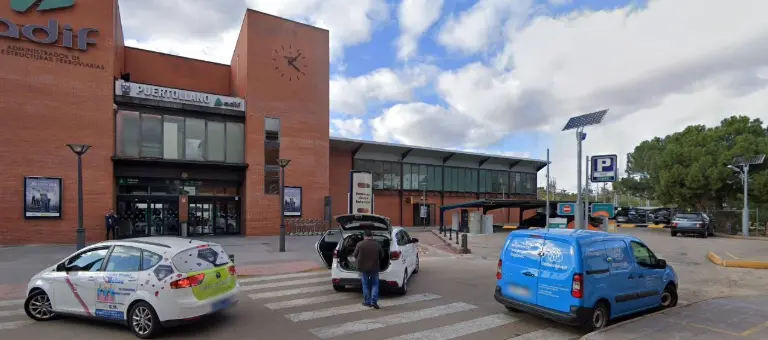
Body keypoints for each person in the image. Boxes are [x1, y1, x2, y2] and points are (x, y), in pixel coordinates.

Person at [353, 228, 385, 309]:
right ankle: (374, 302)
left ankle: (367, 302)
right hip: (374, 267)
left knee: (365, 285)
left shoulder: (360, 244)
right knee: (375, 284)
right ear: (372, 236)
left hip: (363, 268)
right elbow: (382, 256)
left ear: (364, 236)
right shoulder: (377, 244)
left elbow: (354, 255)